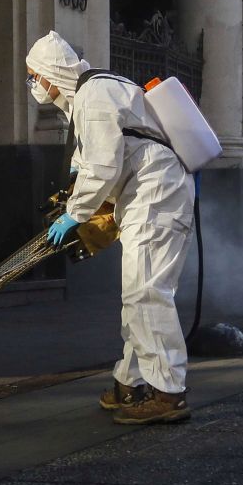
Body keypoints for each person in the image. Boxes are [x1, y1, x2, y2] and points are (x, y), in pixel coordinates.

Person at [26, 31, 192, 426]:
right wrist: (74, 185)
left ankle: (168, 393)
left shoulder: (94, 95)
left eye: (35, 76)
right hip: (150, 198)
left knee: (146, 294)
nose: (34, 85)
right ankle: (131, 383)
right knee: (138, 297)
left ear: (52, 72)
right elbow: (91, 157)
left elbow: (102, 166)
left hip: (155, 198)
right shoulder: (93, 91)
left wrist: (76, 214)